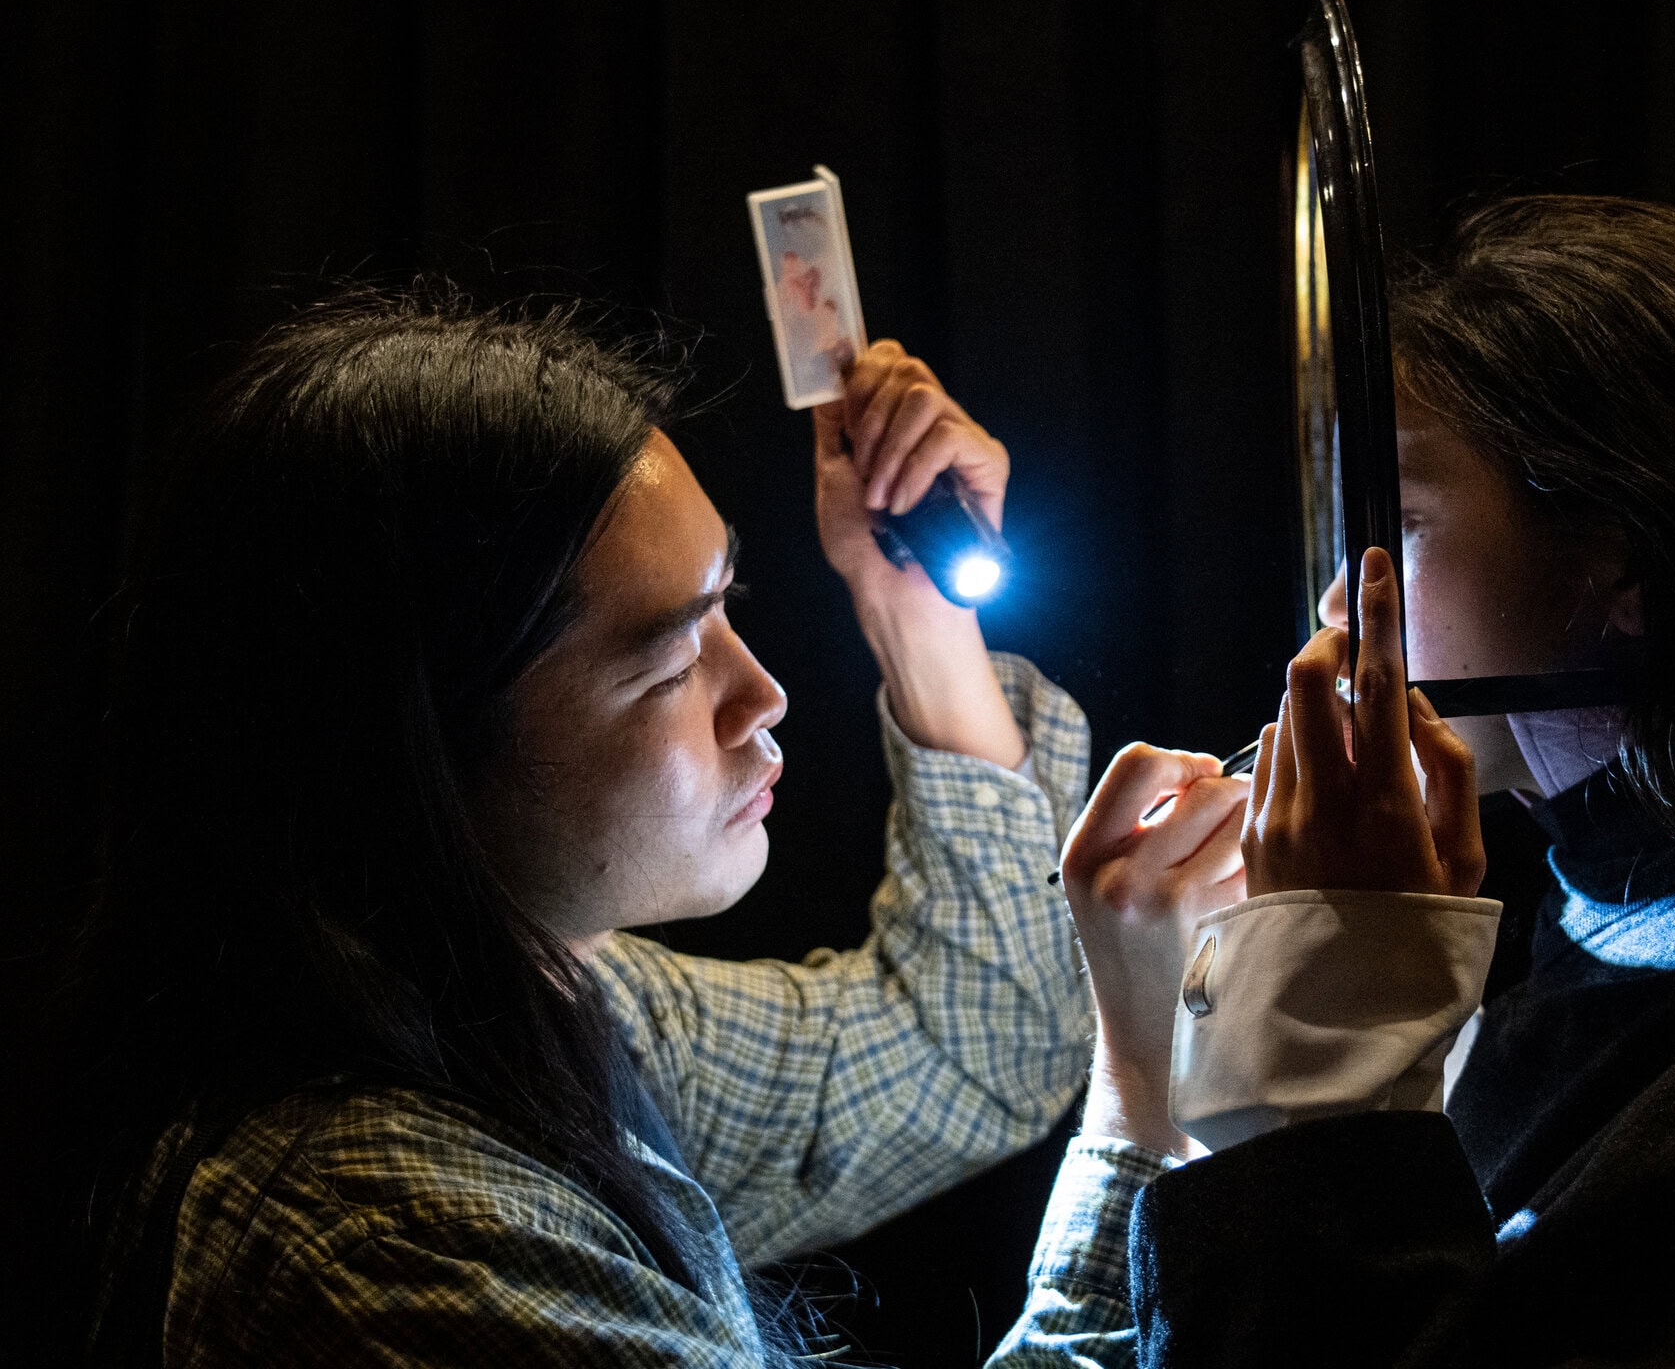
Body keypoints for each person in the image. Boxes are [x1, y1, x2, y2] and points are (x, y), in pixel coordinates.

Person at [991, 196, 1675, 1366]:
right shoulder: (1567, 936)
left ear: (1620, 560)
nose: (1340, 604)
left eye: (1398, 522)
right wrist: (1151, 1064)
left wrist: (1315, 1052)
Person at [51, 289, 1094, 1365]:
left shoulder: (551, 1000)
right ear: (417, 747)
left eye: (726, 606)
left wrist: (916, 614)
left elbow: (976, 1047)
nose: (764, 695)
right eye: (672, 662)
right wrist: (1160, 1138)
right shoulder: (397, 1237)